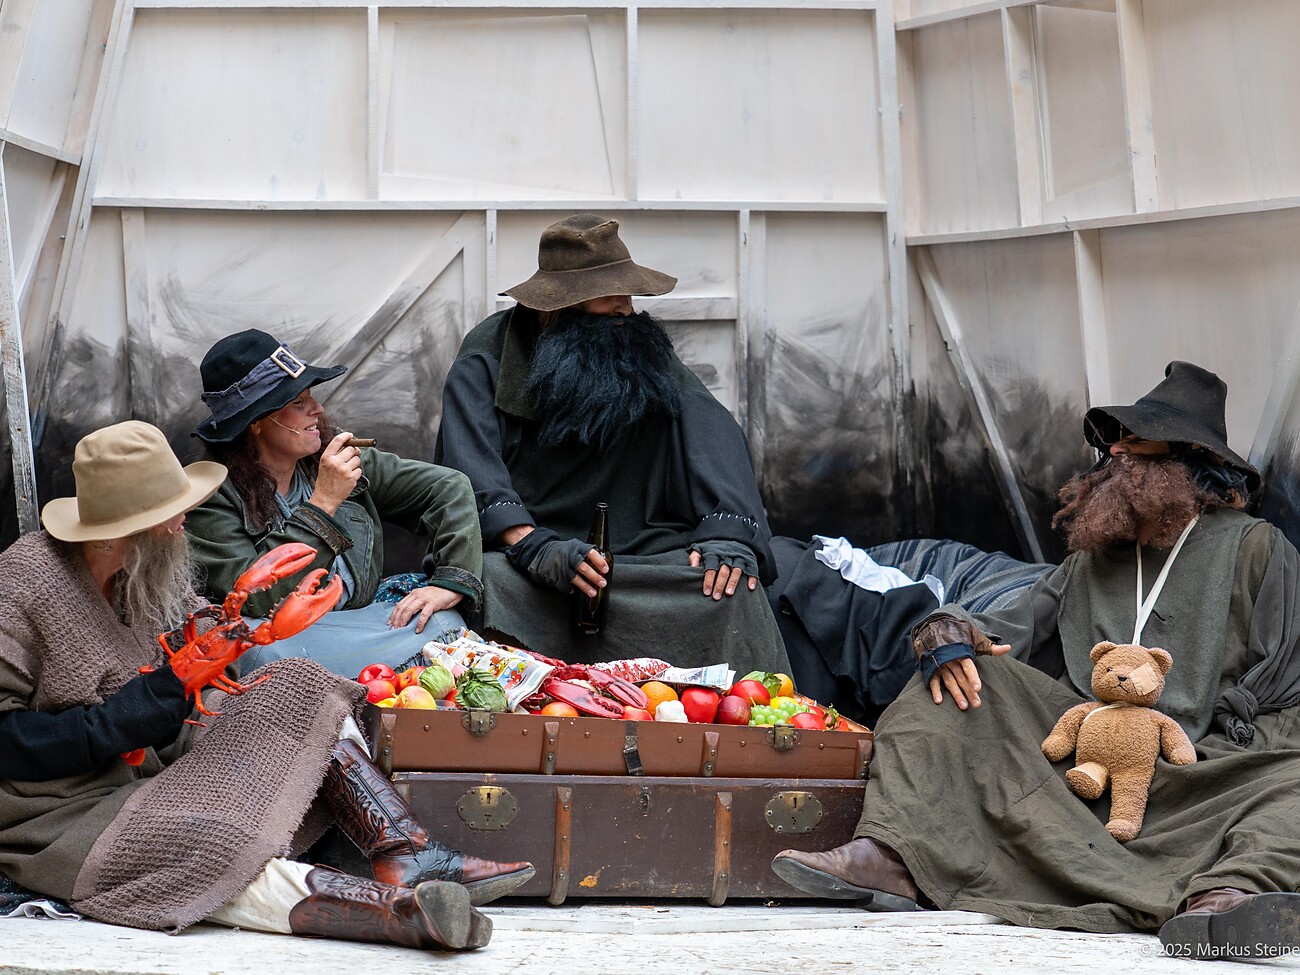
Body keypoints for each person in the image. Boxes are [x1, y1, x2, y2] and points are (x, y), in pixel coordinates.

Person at [771, 361, 1300, 961]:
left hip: (1200, 773)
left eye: (1135, 440)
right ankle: (892, 856)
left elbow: (1283, 685)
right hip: (1081, 762)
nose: (1115, 453)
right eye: (1113, 439)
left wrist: (1216, 760)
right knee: (958, 679)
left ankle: (1225, 898)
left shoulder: (1257, 548)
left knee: (1292, 783)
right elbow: (1006, 631)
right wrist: (951, 628)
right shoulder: (1092, 559)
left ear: (1186, 459)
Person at [0, 421, 533, 949]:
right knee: (210, 843)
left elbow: (203, 634)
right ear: (123, 529)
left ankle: (408, 853)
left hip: (161, 765)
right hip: (62, 811)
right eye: (172, 512)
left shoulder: (148, 565)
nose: (186, 520)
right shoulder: (24, 583)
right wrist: (120, 720)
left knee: (300, 685)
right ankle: (400, 914)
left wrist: (224, 642)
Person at [436, 213, 790, 676]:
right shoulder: (488, 355)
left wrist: (727, 529)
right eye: (609, 297)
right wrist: (533, 545)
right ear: (558, 309)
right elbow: (468, 470)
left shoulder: (630, 342)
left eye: (628, 295)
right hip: (529, 554)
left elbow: (710, 428)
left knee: (728, 585)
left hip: (641, 552)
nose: (625, 309)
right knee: (488, 583)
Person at [186, 328, 484, 676]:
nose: (318, 409)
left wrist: (448, 582)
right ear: (255, 423)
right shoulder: (212, 496)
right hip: (280, 637)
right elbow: (255, 600)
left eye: (311, 397)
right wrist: (322, 504)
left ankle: (356, 667)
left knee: (443, 620)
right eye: (298, 403)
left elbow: (449, 486)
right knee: (254, 653)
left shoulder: (334, 460)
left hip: (361, 622)